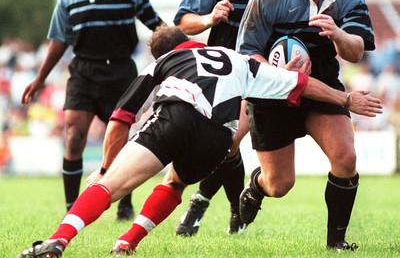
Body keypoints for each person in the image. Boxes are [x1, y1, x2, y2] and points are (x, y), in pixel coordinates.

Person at [17, 25, 382, 257]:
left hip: (177, 113)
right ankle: (126, 244)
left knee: (109, 186)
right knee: (174, 182)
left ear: (166, 51)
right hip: (215, 141)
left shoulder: (165, 61)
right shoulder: (240, 60)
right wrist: (347, 99)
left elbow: (120, 118)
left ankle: (58, 241)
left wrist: (104, 169)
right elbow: (303, 84)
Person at [236, 0, 376, 251]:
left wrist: (338, 34)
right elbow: (247, 53)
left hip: (323, 84)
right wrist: (276, 72)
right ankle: (256, 187)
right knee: (280, 184)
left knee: (346, 156)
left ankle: (336, 242)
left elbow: (355, 51)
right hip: (271, 92)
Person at [21, 0, 165, 221]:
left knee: (121, 141)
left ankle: (124, 202)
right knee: (74, 134)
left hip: (121, 70)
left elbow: (156, 26)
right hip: (84, 70)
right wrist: (40, 79)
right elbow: (59, 40)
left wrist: (179, 55)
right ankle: (71, 208)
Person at [173, 0, 296, 236]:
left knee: (227, 141)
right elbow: (182, 22)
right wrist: (209, 20)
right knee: (227, 144)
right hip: (227, 77)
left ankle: (200, 202)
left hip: (268, 76)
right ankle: (233, 211)